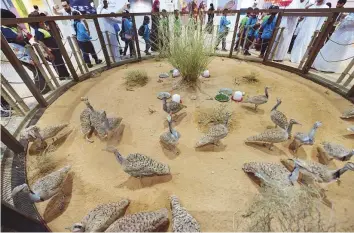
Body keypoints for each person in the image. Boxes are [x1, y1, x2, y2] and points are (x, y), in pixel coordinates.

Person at [1, 9, 50, 95]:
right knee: (35, 69)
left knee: (37, 68)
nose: (15, 21)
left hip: (27, 51)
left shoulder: (11, 27)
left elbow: (25, 37)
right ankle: (40, 89)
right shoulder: (4, 29)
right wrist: (19, 29)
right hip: (22, 54)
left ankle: (43, 87)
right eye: (13, 19)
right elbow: (19, 38)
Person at [28, 12, 70, 79]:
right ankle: (63, 76)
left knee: (60, 62)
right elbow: (41, 43)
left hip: (55, 49)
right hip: (52, 51)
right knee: (58, 64)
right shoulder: (38, 30)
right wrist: (49, 53)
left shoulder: (41, 29)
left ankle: (65, 75)